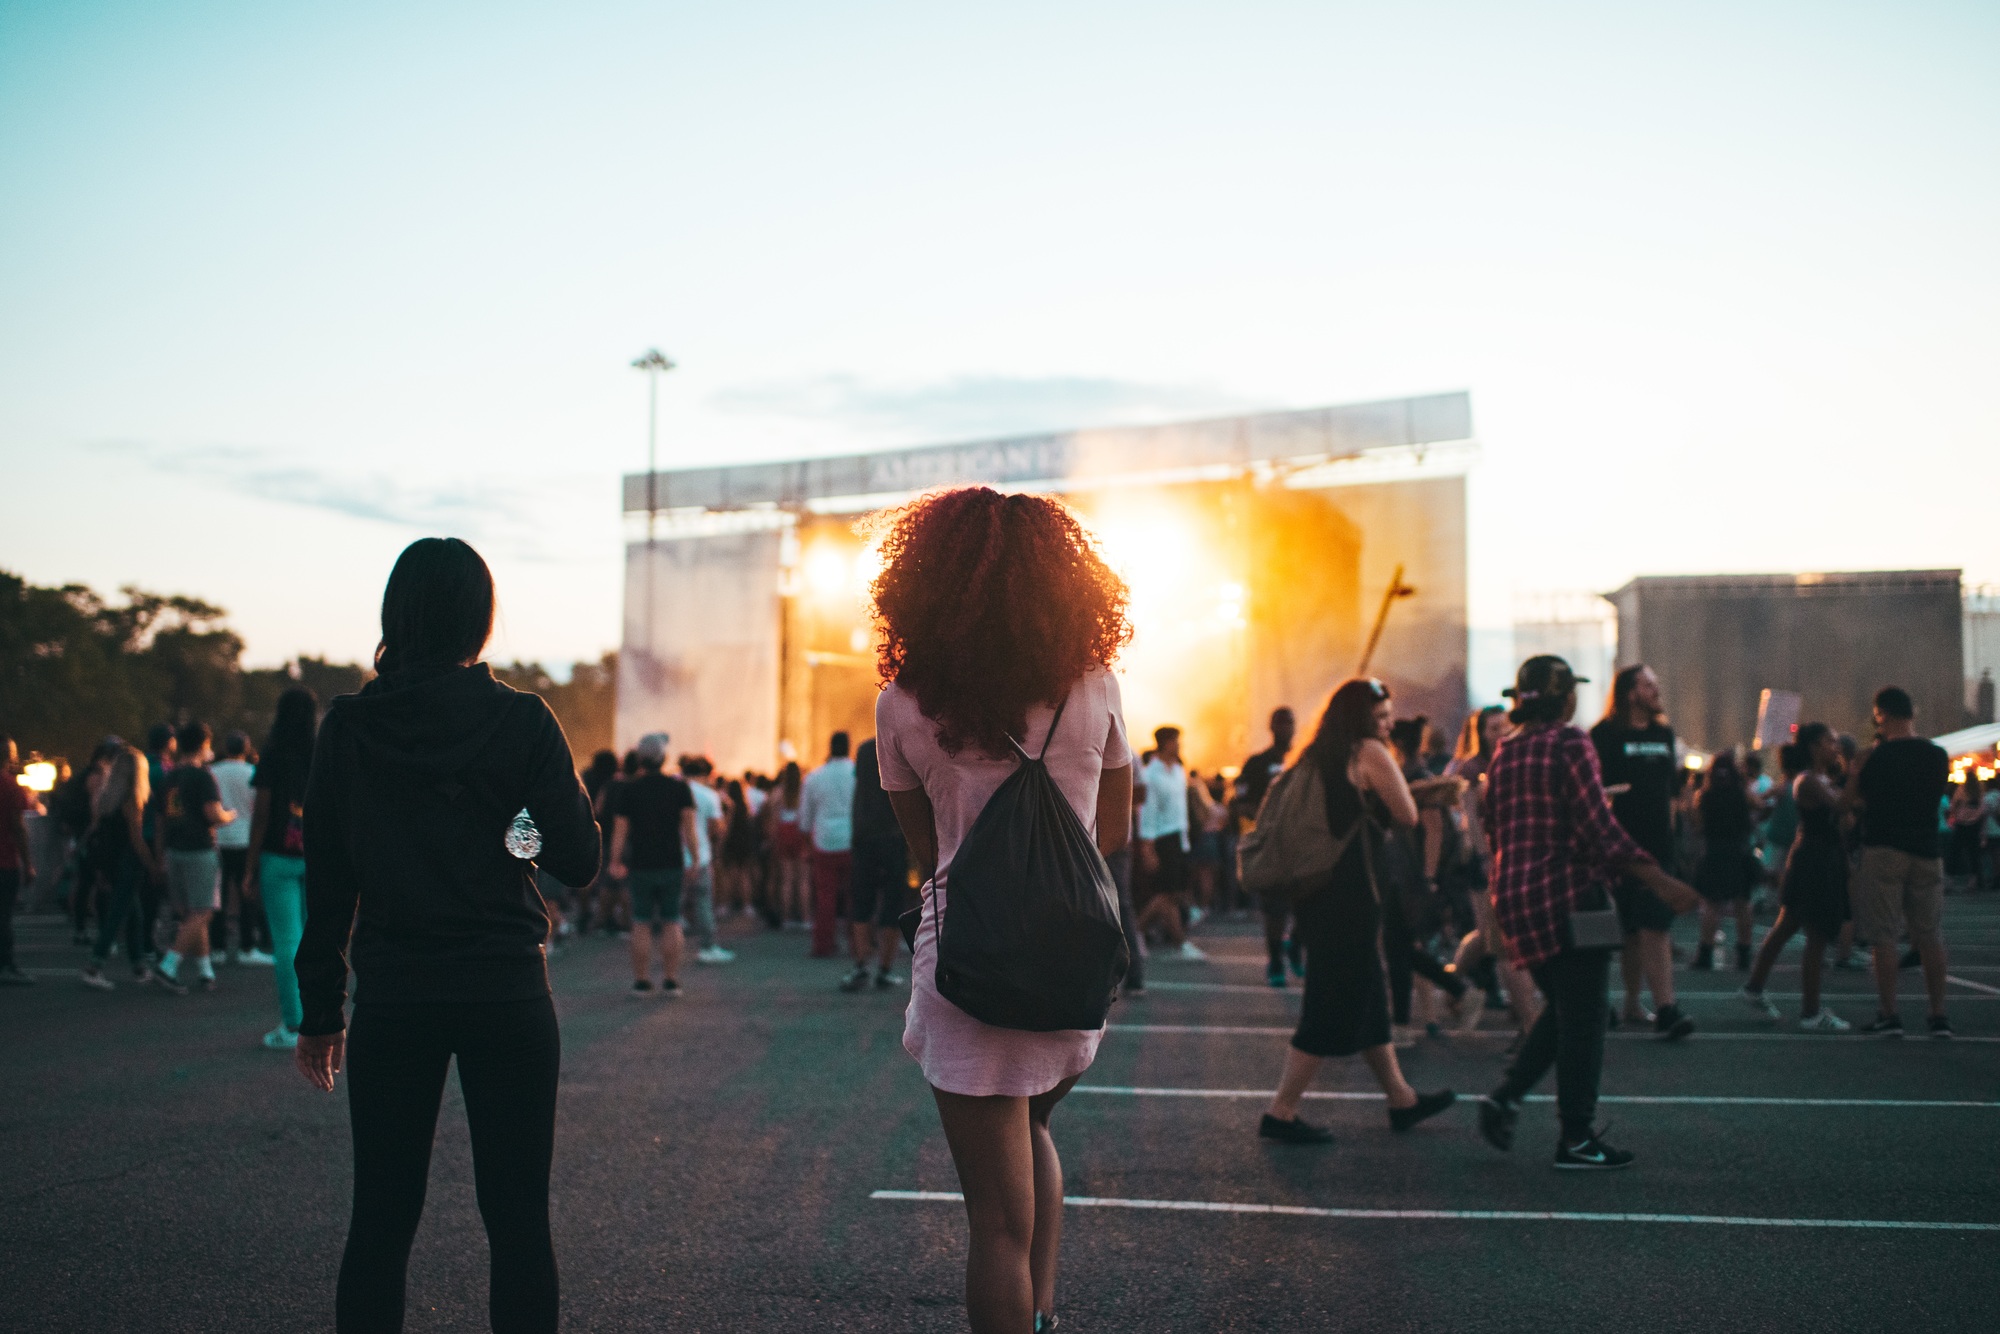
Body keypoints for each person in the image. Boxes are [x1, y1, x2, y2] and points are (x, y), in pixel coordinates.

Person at [292, 536, 600, 1334]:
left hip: (395, 990)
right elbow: (578, 858)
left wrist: (320, 1010)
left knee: (381, 1219)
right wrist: (515, 833)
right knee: (518, 1221)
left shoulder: (348, 728)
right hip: (505, 986)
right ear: (480, 620)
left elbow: (328, 881)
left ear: (395, 614)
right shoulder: (522, 721)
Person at [870, 487, 1133, 1334]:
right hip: (1072, 956)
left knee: (995, 1224)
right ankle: (1041, 1315)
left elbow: (927, 849)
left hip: (968, 965)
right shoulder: (1095, 685)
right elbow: (1114, 831)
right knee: (1036, 1124)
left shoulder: (903, 703)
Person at [1477, 656, 1699, 1171]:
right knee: (1586, 1016)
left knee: (1566, 1007)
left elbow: (1496, 830)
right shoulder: (1570, 743)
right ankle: (1576, 1136)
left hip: (1518, 896)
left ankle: (1506, 1097)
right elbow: (1599, 831)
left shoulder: (1505, 752)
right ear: (1564, 698)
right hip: (1574, 895)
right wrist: (1660, 880)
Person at [1257, 678, 1459, 1146]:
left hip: (1320, 893)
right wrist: (1422, 792)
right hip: (1352, 895)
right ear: (1362, 719)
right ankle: (1281, 1112)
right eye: (1381, 716)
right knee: (1329, 1001)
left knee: (1368, 995)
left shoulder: (1315, 755)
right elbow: (1406, 815)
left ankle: (1401, 1099)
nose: (1388, 724)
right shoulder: (1369, 751)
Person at [1588, 664, 1694, 1040]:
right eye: (1649, 685)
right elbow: (1591, 789)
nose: (1656, 690)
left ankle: (1666, 1010)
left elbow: (1670, 791)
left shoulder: (1663, 733)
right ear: (1630, 692)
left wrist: (1676, 832)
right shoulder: (1604, 734)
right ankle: (1628, 1004)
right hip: (1616, 847)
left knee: (1654, 924)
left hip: (1658, 847)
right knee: (1624, 931)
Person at [1844, 685, 1954, 1038]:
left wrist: (1856, 771)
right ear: (1912, 713)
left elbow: (1851, 802)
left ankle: (1889, 1014)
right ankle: (1938, 1015)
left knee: (1884, 935)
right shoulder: (1937, 755)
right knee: (1930, 934)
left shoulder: (1873, 758)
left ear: (1882, 715)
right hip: (1926, 849)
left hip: (1884, 848)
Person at [1740, 725, 1851, 1029]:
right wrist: (1857, 774)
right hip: (1812, 861)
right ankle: (1810, 1012)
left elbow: (1847, 816)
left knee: (1788, 926)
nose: (1836, 746)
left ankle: (1754, 986)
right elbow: (1841, 806)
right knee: (1814, 934)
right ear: (1814, 746)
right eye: (1829, 741)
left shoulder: (1823, 779)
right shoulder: (1808, 780)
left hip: (1820, 858)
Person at [1446, 706, 1539, 1032]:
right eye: (1493, 728)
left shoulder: (1513, 757)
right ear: (1481, 733)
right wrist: (1484, 855)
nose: (1500, 733)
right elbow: (1470, 817)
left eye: (1504, 726)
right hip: (1485, 857)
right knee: (1496, 936)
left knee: (1493, 934)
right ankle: (1458, 982)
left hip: (1514, 854)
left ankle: (1453, 979)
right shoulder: (1472, 768)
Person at [246, 687, 317, 1049]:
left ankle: (293, 1024)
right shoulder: (321, 752)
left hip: (277, 854)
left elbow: (261, 814)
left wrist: (249, 866)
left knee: (287, 941)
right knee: (313, 939)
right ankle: (317, 1017)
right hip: (316, 856)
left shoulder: (273, 754)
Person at [610, 733, 698, 996]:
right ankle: (671, 980)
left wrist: (615, 860)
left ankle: (642, 981)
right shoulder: (679, 788)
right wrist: (695, 858)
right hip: (672, 862)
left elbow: (620, 830)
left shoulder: (629, 789)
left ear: (640, 759)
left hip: (641, 863)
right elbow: (689, 829)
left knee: (641, 922)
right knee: (672, 920)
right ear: (664, 758)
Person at [153, 722, 237, 995]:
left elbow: (160, 821)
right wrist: (230, 815)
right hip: (200, 848)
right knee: (204, 911)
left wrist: (159, 855)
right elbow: (212, 814)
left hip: (174, 849)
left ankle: (204, 970)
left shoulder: (170, 776)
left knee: (192, 912)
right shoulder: (202, 776)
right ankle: (168, 965)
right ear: (203, 744)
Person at [79, 745, 162, 990]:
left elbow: (97, 830)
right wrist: (152, 864)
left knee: (132, 913)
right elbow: (136, 838)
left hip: (110, 861)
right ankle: (95, 965)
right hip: (129, 860)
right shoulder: (132, 798)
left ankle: (138, 966)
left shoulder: (107, 797)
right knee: (118, 914)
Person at [1240, 708, 1303, 987]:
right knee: (1275, 910)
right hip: (1272, 847)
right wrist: (1265, 822)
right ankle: (1276, 960)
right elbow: (1240, 802)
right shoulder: (1257, 763)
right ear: (1272, 726)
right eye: (1281, 723)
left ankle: (1296, 944)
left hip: (1303, 844)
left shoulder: (1303, 760)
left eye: (1290, 723)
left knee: (1308, 903)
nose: (1286, 728)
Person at [842, 736, 910, 992]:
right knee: (893, 904)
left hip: (864, 836)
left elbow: (858, 792)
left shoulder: (864, 750)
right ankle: (884, 969)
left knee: (862, 902)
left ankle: (861, 965)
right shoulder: (900, 746)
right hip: (894, 835)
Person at [1136, 727, 1204, 960]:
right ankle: (1177, 941)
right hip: (1162, 838)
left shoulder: (1178, 771)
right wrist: (1148, 847)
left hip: (1178, 837)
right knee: (1167, 893)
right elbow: (1147, 812)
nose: (1179, 745)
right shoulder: (1150, 775)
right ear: (1165, 743)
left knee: (1172, 894)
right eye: (1175, 741)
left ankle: (1137, 932)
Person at [210, 730, 273, 966]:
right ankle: (247, 947)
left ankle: (217, 947)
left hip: (218, 839)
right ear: (246, 750)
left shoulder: (213, 771)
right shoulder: (252, 772)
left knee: (219, 896)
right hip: (246, 840)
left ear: (226, 748)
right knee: (248, 895)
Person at [1692, 751, 1758, 971]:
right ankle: (1744, 953)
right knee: (1743, 903)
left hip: (1714, 851)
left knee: (1712, 904)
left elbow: (1697, 824)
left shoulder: (1704, 796)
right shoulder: (1742, 793)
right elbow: (1759, 808)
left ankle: (1705, 953)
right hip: (1739, 850)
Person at [800, 732, 857, 959]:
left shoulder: (814, 777)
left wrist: (808, 843)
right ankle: (858, 942)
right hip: (853, 840)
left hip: (824, 841)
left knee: (825, 896)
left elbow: (805, 818)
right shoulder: (857, 774)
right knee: (854, 895)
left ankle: (823, 944)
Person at [678, 755, 735, 964]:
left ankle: (670, 946)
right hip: (700, 855)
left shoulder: (675, 791)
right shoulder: (709, 795)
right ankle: (707, 946)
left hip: (674, 856)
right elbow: (719, 829)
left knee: (672, 905)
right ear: (705, 774)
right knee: (703, 901)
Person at [0, 735, 39, 985]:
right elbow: (19, 828)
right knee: (3, 917)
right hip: (5, 861)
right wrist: (29, 864)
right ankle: (6, 965)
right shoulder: (11, 786)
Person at [767, 761, 809, 928]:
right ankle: (805, 917)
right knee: (803, 879)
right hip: (800, 832)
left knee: (786, 879)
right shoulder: (804, 790)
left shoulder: (778, 792)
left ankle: (786, 918)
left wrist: (773, 838)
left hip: (784, 833)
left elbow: (773, 817)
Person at [1946, 776, 1987, 892]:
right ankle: (1973, 882)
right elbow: (1983, 809)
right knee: (1973, 854)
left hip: (1961, 823)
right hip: (1975, 824)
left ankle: (1949, 882)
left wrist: (1954, 815)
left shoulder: (1962, 789)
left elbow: (1954, 803)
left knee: (1954, 853)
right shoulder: (1980, 791)